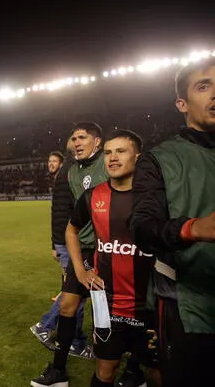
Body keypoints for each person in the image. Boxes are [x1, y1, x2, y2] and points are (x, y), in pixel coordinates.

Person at [130, 57, 215, 387]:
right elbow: (143, 228)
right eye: (204, 86)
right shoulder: (160, 158)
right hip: (188, 309)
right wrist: (193, 228)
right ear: (182, 103)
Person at [55, 129, 160, 387]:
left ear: (138, 157)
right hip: (109, 303)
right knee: (105, 368)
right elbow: (71, 229)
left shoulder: (156, 196)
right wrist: (79, 270)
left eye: (121, 151)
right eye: (108, 152)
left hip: (149, 303)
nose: (112, 158)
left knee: (158, 371)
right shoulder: (93, 196)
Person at [30, 146, 86, 354]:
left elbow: (59, 215)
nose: (50, 164)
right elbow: (64, 216)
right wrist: (58, 244)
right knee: (75, 289)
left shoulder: (65, 176)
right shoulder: (71, 174)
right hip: (71, 241)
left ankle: (74, 339)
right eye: (49, 161)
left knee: (74, 288)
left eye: (54, 161)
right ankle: (49, 327)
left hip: (66, 241)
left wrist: (55, 244)